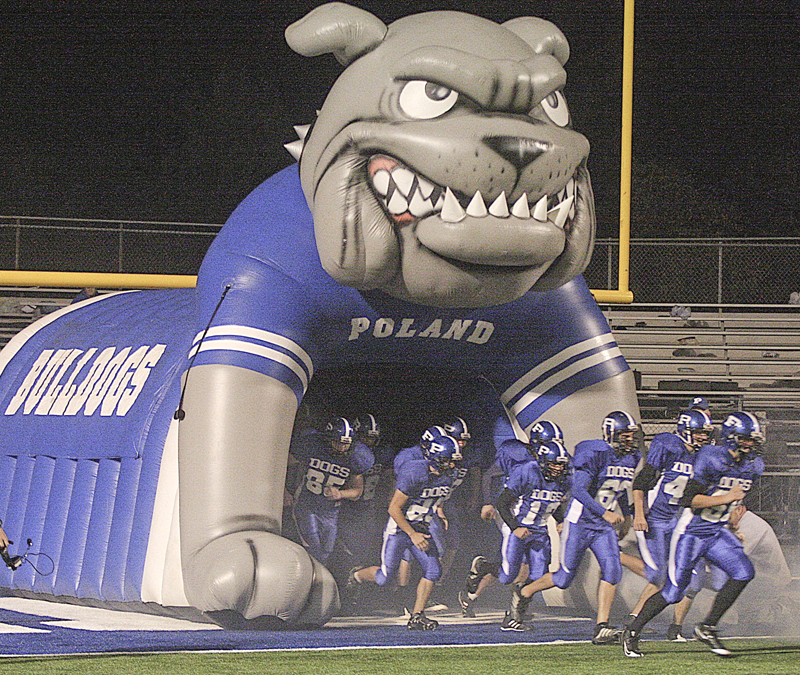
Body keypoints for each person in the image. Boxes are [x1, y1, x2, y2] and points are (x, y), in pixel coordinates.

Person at [622, 411, 765, 658]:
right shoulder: (711, 457)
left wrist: (732, 520)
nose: (750, 444)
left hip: (716, 531)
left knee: (744, 572)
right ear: (731, 437)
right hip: (691, 533)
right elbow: (690, 500)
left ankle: (707, 627)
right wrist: (726, 498)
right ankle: (633, 630)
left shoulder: (752, 465)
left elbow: (733, 500)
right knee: (673, 591)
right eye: (746, 439)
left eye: (753, 439)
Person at [510, 411, 641, 644]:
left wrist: (627, 515)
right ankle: (525, 592)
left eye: (631, 435)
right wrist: (605, 512)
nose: (630, 440)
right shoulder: (595, 453)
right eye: (625, 435)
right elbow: (579, 491)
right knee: (564, 578)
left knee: (612, 571)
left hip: (602, 527)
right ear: (611, 434)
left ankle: (601, 627)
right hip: (580, 522)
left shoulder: (631, 457)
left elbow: (619, 488)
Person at [347, 435, 463, 630]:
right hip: (399, 529)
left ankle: (417, 615)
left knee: (434, 570)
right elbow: (393, 508)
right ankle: (356, 575)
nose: (452, 465)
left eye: (453, 461)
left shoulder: (449, 475)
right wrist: (412, 534)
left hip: (421, 527)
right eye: (448, 460)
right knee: (385, 577)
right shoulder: (415, 471)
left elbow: (438, 496)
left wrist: (439, 511)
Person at [458, 417, 564, 618]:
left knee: (519, 567)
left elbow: (553, 494)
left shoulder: (553, 464)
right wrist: (488, 502)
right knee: (519, 567)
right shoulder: (517, 455)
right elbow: (489, 475)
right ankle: (515, 609)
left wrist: (559, 518)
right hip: (510, 509)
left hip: (530, 513)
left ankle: (475, 595)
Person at [628, 408, 715, 641]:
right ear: (686, 430)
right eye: (699, 432)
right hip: (657, 519)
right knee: (659, 576)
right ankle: (633, 621)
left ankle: (675, 627)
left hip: (681, 522)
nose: (703, 437)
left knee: (694, 579)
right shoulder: (668, 446)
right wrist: (639, 514)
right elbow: (641, 482)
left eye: (705, 433)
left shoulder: (704, 456)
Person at [496, 439, 572, 631]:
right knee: (507, 576)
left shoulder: (564, 480)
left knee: (539, 576)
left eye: (561, 465)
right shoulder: (528, 471)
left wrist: (560, 520)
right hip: (519, 527)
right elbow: (502, 502)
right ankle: (482, 567)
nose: (558, 469)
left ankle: (515, 615)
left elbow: (552, 503)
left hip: (540, 531)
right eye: (554, 464)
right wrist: (515, 527)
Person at [289, 417, 374, 563]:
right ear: (328, 439)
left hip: (330, 513)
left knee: (326, 553)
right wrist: (286, 490)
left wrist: (340, 493)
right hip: (307, 506)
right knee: (314, 550)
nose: (341, 447)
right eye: (338, 442)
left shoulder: (356, 457)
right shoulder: (312, 445)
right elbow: (288, 463)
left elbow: (357, 492)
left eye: (345, 444)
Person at [338, 414, 395, 568]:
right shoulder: (349, 452)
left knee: (366, 544)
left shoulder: (381, 454)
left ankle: (356, 572)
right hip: (347, 505)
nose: (369, 442)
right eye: (365, 437)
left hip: (369, 505)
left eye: (372, 438)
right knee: (345, 544)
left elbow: (389, 477)